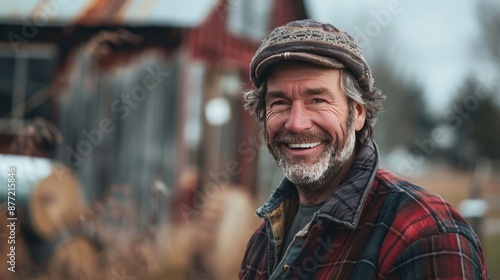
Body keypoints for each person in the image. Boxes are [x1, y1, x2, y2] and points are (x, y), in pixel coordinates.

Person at [239, 19, 488, 279]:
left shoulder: (426, 235)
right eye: (280, 102)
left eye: (318, 100)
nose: (296, 123)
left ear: (358, 113)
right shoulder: (260, 243)